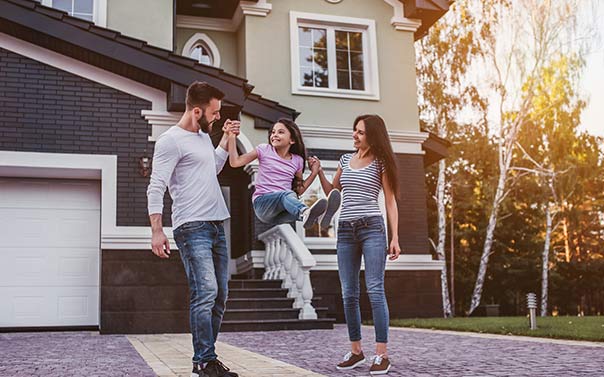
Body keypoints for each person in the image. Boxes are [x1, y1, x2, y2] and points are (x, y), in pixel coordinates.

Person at [147, 81, 240, 377]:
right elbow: (156, 185)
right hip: (191, 227)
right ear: (196, 110)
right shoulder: (170, 141)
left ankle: (205, 359)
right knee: (206, 291)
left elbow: (212, 167)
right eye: (214, 113)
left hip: (216, 225)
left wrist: (226, 139)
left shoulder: (202, 137)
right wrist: (157, 230)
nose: (216, 117)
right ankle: (204, 361)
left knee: (220, 295)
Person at [314, 114, 401, 375]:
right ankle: (356, 351)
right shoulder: (344, 159)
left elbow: (390, 201)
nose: (355, 135)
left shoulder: (381, 163)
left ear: (372, 135)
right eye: (355, 130)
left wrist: (394, 237)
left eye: (360, 132)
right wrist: (319, 171)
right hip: (345, 231)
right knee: (348, 293)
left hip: (372, 228)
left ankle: (382, 355)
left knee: (374, 290)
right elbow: (332, 192)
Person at [227, 118, 341, 230]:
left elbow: (298, 190)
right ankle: (304, 212)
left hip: (279, 211)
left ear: (292, 140)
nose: (274, 135)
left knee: (293, 202)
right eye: (273, 132)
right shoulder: (264, 150)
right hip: (262, 204)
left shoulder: (297, 160)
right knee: (288, 196)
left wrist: (314, 173)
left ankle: (320, 217)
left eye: (280, 132)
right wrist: (232, 137)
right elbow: (235, 162)